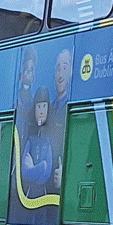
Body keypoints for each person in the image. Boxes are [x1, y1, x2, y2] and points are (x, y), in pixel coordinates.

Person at [45, 48, 72, 195]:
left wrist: (66, 176)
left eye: (65, 68)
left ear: (71, 73)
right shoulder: (48, 108)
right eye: (58, 69)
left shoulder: (74, 110)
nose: (60, 75)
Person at [21, 87, 53, 199]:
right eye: (38, 107)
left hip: (44, 195)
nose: (41, 111)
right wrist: (41, 166)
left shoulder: (50, 140)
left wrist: (34, 168)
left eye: (44, 106)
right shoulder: (30, 139)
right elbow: (25, 172)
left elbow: (46, 174)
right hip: (29, 194)